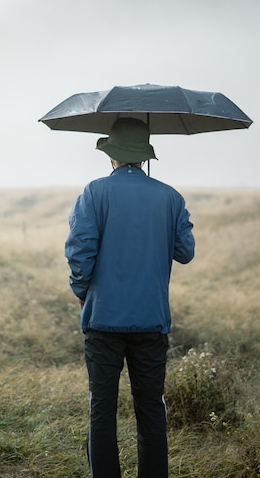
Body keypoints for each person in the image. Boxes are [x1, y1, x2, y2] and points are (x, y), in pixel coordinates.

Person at [65, 117, 195, 478]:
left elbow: (79, 251)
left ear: (112, 156)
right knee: (151, 408)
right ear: (144, 156)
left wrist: (82, 292)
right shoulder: (171, 196)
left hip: (103, 319)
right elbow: (185, 251)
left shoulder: (93, 192)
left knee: (101, 409)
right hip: (152, 320)